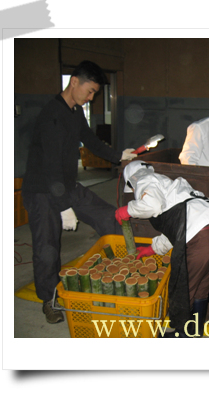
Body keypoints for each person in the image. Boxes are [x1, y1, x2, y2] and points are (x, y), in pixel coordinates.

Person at [22, 60, 137, 324]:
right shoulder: (52, 115)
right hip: (42, 190)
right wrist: (64, 207)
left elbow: (91, 140)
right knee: (48, 248)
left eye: (95, 93)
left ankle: (125, 267)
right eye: (90, 91)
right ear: (74, 82)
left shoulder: (74, 111)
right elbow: (51, 166)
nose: (91, 98)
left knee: (109, 217)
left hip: (65, 184)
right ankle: (49, 300)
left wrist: (118, 155)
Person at [115, 161, 209, 337]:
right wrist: (152, 249)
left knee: (183, 289)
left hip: (203, 233)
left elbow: (152, 206)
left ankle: (181, 336)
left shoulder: (143, 179)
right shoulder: (169, 186)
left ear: (131, 180)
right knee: (200, 288)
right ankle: (195, 333)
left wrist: (127, 210)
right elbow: (179, 228)